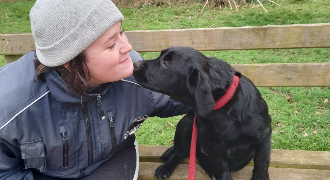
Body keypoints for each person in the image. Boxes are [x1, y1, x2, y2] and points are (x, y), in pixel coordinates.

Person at [0, 0, 191, 179]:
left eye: (121, 32)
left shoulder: (136, 78)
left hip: (111, 163)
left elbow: (191, 97)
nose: (128, 47)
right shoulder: (11, 106)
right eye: (111, 44)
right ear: (69, 61)